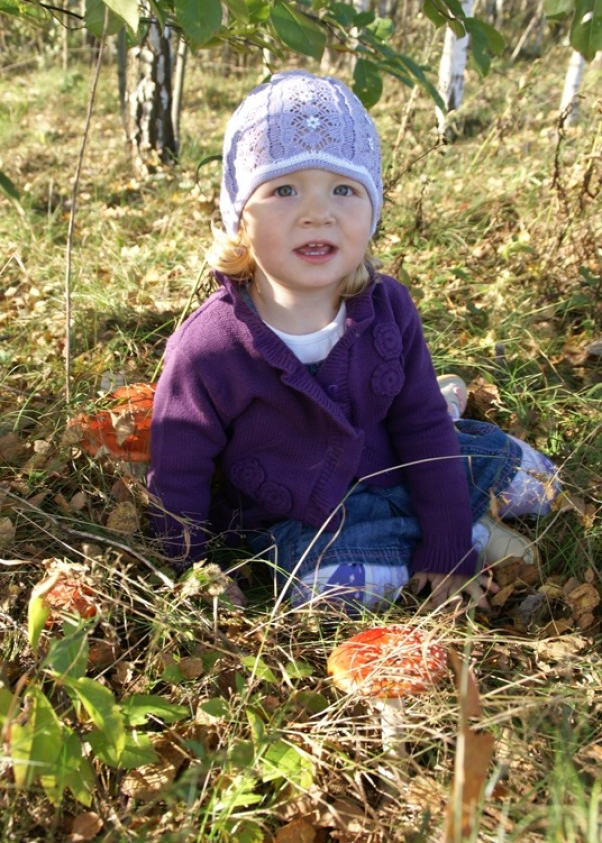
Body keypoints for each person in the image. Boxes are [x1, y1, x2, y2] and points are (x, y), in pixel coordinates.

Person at [148, 70, 560, 612]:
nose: (317, 213)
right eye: (284, 189)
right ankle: (479, 527)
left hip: (397, 463)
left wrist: (446, 545)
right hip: (305, 510)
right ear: (239, 218)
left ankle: (462, 520)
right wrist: (190, 569)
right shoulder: (208, 348)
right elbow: (178, 468)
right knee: (345, 589)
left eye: (344, 189)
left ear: (372, 213)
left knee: (540, 483)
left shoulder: (389, 308)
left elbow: (419, 429)